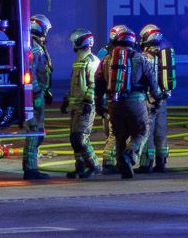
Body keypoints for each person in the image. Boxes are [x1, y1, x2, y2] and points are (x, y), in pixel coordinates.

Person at [96, 24, 154, 179]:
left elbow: (98, 83)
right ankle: (130, 155)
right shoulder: (141, 59)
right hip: (136, 102)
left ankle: (122, 165)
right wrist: (157, 98)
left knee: (119, 134)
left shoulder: (107, 60)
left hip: (113, 103)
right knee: (141, 131)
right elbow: (152, 83)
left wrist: (98, 104)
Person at [64, 28, 101, 178]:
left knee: (81, 137)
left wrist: (88, 102)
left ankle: (94, 165)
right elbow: (75, 84)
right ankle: (79, 167)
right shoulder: (79, 61)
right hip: (75, 106)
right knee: (74, 139)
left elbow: (93, 84)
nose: (72, 44)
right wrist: (67, 99)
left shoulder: (91, 61)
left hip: (85, 106)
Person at [139, 24, 174, 173]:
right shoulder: (164, 58)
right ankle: (161, 162)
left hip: (148, 100)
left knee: (147, 132)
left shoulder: (142, 59)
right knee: (161, 132)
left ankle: (146, 163)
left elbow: (138, 80)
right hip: (163, 100)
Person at [22, 14, 54, 180]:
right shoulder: (35, 48)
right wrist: (37, 93)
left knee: (36, 131)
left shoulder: (31, 45)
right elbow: (34, 73)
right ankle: (31, 168)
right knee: (35, 131)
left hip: (37, 93)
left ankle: (30, 165)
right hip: (35, 95)